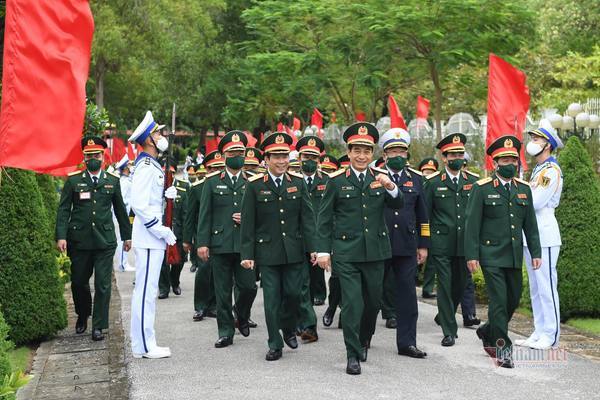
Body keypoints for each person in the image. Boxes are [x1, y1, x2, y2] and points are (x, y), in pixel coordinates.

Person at [316, 122, 403, 375]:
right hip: (346, 252)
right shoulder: (336, 180)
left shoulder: (380, 178)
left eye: (367, 151)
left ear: (373, 153)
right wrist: (323, 251)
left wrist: (390, 186)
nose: (362, 156)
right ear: (349, 152)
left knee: (373, 303)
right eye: (357, 151)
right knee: (353, 304)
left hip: (376, 251)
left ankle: (365, 339)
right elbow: (323, 218)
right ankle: (352, 354)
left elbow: (399, 203)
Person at [465, 135, 542, 368]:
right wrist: (471, 255)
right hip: (490, 255)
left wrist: (536, 252)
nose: (510, 163)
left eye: (513, 159)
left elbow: (530, 224)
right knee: (499, 301)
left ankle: (488, 329)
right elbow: (472, 225)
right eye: (504, 160)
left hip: (513, 254)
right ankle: (502, 350)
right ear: (495, 163)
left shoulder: (524, 189)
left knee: (513, 299)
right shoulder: (482, 189)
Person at [240, 132, 316, 361]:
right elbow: (248, 224)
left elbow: (308, 220)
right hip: (268, 253)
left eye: (285, 156)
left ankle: (289, 327)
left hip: (294, 251)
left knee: (293, 295)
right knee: (271, 300)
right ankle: (275, 343)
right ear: (266, 159)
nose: (282, 161)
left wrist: (313, 248)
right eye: (277, 156)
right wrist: (247, 254)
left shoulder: (298, 183)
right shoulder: (254, 186)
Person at [56, 137, 132, 341]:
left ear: (103, 156)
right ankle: (82, 314)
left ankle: (99, 326)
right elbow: (64, 210)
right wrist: (61, 236)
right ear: (84, 157)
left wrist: (127, 236)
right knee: (79, 282)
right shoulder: (73, 181)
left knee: (103, 284)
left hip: (104, 241)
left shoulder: (112, 181)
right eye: (89, 156)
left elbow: (120, 211)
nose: (93, 159)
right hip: (79, 241)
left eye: (96, 155)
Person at [197, 131, 257, 348]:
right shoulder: (212, 182)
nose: (237, 156)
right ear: (224, 155)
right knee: (222, 292)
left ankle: (240, 314)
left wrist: (248, 218)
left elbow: (260, 213)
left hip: (244, 245)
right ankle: (225, 332)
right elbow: (205, 214)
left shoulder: (252, 180)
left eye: (241, 152)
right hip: (220, 243)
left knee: (249, 287)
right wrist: (202, 243)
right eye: (233, 152)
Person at [128, 111, 178, 359]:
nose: (161, 136)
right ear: (149, 139)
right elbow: (138, 204)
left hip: (152, 238)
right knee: (146, 293)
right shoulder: (146, 166)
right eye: (158, 132)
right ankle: (146, 346)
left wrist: (165, 196)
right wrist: (160, 229)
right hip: (150, 238)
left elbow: (150, 200)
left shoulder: (152, 165)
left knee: (147, 292)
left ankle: (142, 344)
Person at [424, 133, 479, 347]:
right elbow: (425, 216)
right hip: (441, 244)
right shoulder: (432, 182)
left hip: (464, 244)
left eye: (460, 153)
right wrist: (425, 244)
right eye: (453, 154)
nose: (458, 157)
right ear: (444, 157)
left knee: (460, 284)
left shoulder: (473, 182)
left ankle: (443, 314)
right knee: (445, 285)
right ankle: (449, 330)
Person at [378, 128, 429, 359]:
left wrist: (423, 244)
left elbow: (423, 215)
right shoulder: (374, 176)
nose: (398, 155)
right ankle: (363, 338)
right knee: (371, 293)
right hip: (379, 243)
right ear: (385, 154)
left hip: (407, 244)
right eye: (393, 151)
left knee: (408, 297)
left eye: (402, 151)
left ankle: (407, 343)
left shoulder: (416, 179)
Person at [515, 122, 563, 350]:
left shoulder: (550, 171)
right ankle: (539, 330)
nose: (532, 143)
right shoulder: (537, 170)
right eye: (532, 138)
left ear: (548, 145)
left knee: (546, 286)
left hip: (545, 235)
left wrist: (516, 196)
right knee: (535, 287)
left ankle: (551, 334)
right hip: (531, 235)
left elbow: (535, 201)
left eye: (536, 139)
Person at [285, 135, 328, 343]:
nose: (309, 161)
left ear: (319, 159)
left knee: (314, 283)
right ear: (299, 157)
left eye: (314, 157)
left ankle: (302, 321)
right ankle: (307, 325)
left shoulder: (327, 181)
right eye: (305, 156)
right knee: (299, 284)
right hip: (296, 240)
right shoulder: (291, 180)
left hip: (320, 241)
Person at [183, 152, 223, 321]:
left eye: (220, 168)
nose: (218, 171)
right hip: (203, 234)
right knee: (204, 270)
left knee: (218, 272)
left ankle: (213, 306)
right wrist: (186, 240)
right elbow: (190, 216)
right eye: (214, 168)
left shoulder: (226, 185)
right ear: (207, 169)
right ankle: (200, 306)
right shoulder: (197, 187)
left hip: (222, 234)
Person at [158, 158, 188, 299]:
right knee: (163, 261)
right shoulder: (157, 187)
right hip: (161, 229)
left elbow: (187, 212)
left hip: (178, 230)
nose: (168, 175)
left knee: (179, 260)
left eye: (170, 172)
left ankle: (174, 281)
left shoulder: (183, 187)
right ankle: (164, 287)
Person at [418, 157, 438, 298]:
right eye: (426, 171)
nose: (428, 174)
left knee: (431, 261)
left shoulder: (435, 183)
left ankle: (427, 288)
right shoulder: (416, 182)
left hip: (432, 227)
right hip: (418, 226)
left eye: (431, 171)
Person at [114, 154, 134, 272]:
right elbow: (122, 200)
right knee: (122, 238)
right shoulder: (124, 182)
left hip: (127, 214)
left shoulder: (127, 180)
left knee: (126, 238)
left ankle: (124, 263)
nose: (131, 166)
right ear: (125, 168)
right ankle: (122, 264)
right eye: (129, 165)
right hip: (124, 214)